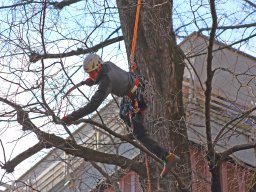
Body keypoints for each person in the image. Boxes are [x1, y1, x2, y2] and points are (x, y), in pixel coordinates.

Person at [61, 53, 180, 178]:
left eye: (92, 73)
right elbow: (106, 77)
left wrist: (72, 117)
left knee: (140, 134)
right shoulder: (107, 65)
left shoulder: (106, 81)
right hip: (136, 86)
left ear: (98, 68)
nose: (90, 76)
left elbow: (92, 106)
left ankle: (167, 157)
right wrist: (92, 80)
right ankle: (133, 132)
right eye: (89, 74)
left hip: (138, 95)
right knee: (123, 114)